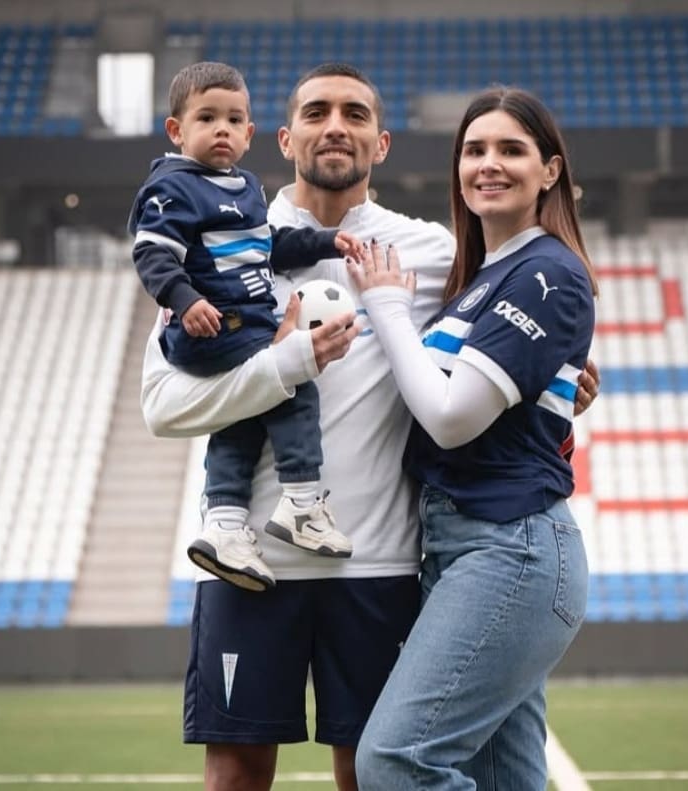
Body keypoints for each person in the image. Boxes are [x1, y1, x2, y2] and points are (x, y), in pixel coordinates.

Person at [141, 64, 600, 791]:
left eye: (355, 114)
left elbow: (510, 344)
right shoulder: (221, 244)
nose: (336, 126)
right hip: (252, 560)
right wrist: (284, 361)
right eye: (317, 111)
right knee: (235, 772)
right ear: (284, 138)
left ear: (381, 143)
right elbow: (162, 406)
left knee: (372, 770)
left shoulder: (434, 255)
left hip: (383, 560)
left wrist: (565, 385)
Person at [349, 87, 597, 790]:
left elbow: (452, 416)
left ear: (550, 170)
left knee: (396, 762)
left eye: (511, 149)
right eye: (475, 150)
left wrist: (389, 307)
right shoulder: (483, 279)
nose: (490, 164)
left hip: (509, 550)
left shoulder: (545, 272)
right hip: (470, 549)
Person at [129, 61, 365, 591]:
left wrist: (327, 240)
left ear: (250, 132)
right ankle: (302, 504)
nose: (222, 130)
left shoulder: (243, 186)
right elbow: (152, 254)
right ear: (176, 130)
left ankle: (225, 526)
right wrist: (186, 301)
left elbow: (269, 247)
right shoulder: (174, 187)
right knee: (294, 386)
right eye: (207, 118)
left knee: (242, 415)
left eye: (234, 120)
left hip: (237, 324)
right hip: (218, 325)